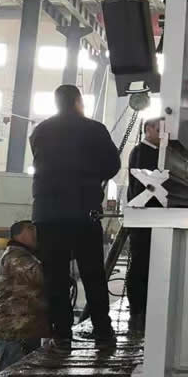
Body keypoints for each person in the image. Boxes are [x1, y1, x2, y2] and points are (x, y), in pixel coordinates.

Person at [30, 84, 120, 350]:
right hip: (83, 211)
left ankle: (62, 335)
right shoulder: (94, 129)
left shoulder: (40, 131)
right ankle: (102, 332)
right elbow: (113, 165)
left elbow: (41, 162)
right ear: (79, 102)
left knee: (55, 276)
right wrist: (93, 176)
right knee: (92, 273)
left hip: (48, 214)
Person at [0, 221, 49, 372]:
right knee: (11, 376)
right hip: (14, 332)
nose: (35, 233)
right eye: (30, 229)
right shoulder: (15, 256)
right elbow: (40, 275)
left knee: (23, 376)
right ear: (19, 235)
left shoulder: (26, 255)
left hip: (26, 329)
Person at [126, 118, 160, 332]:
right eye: (159, 129)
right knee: (140, 265)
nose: (163, 134)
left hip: (152, 216)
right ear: (148, 129)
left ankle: (145, 309)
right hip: (143, 217)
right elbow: (143, 187)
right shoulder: (140, 152)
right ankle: (137, 312)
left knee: (149, 264)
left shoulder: (157, 152)